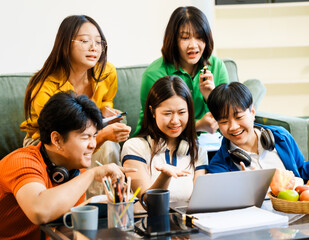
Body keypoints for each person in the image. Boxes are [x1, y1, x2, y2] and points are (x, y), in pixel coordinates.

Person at [20, 15, 131, 196]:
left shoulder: (107, 72)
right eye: (85, 41)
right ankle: (88, 209)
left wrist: (106, 112)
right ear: (65, 44)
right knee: (107, 145)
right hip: (48, 141)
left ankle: (109, 205)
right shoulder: (44, 86)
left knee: (108, 144)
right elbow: (59, 137)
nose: (94, 47)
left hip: (87, 135)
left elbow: (106, 101)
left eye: (98, 42)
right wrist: (101, 135)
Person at [0, 91, 136, 239]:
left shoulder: (75, 171)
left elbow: (61, 229)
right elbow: (40, 211)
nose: (93, 144)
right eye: (86, 137)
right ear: (57, 139)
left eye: (95, 136)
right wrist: (93, 173)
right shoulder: (22, 162)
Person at [133, 6, 229, 136]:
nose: (193, 45)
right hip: (160, 143)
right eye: (185, 37)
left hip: (208, 146)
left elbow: (227, 120)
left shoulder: (217, 66)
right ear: (173, 40)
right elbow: (152, 126)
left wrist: (210, 98)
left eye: (200, 37)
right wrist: (198, 125)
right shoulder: (154, 74)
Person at [121, 76, 208, 202]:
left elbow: (198, 203)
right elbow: (147, 202)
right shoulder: (134, 147)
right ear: (153, 111)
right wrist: (165, 176)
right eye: (167, 113)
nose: (175, 121)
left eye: (182, 112)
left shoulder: (198, 151)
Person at [206, 82, 309, 181]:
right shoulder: (218, 166)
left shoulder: (281, 136)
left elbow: (301, 171)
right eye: (224, 122)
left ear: (252, 112)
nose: (233, 127)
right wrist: (244, 188)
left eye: (239, 117)